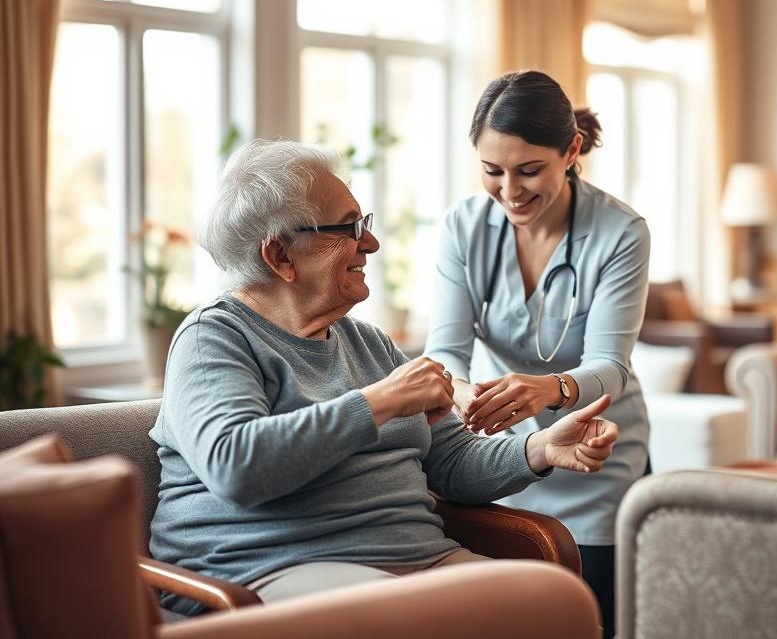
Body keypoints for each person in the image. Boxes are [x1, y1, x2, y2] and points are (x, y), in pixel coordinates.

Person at [148, 139, 620, 616]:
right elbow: (236, 465)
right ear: (281, 256)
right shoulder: (214, 337)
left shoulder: (369, 343)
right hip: (268, 569)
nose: (370, 243)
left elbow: (453, 463)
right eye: (349, 228)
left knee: (559, 603)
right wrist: (380, 402)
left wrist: (540, 449)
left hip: (417, 561)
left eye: (364, 223)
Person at [424, 70, 651, 637]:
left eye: (529, 170)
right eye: (492, 171)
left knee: (593, 620)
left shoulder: (620, 232)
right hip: (505, 458)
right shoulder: (463, 227)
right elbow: (446, 349)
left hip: (598, 460)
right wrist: (460, 390)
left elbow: (613, 365)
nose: (510, 191)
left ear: (571, 150)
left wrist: (552, 389)